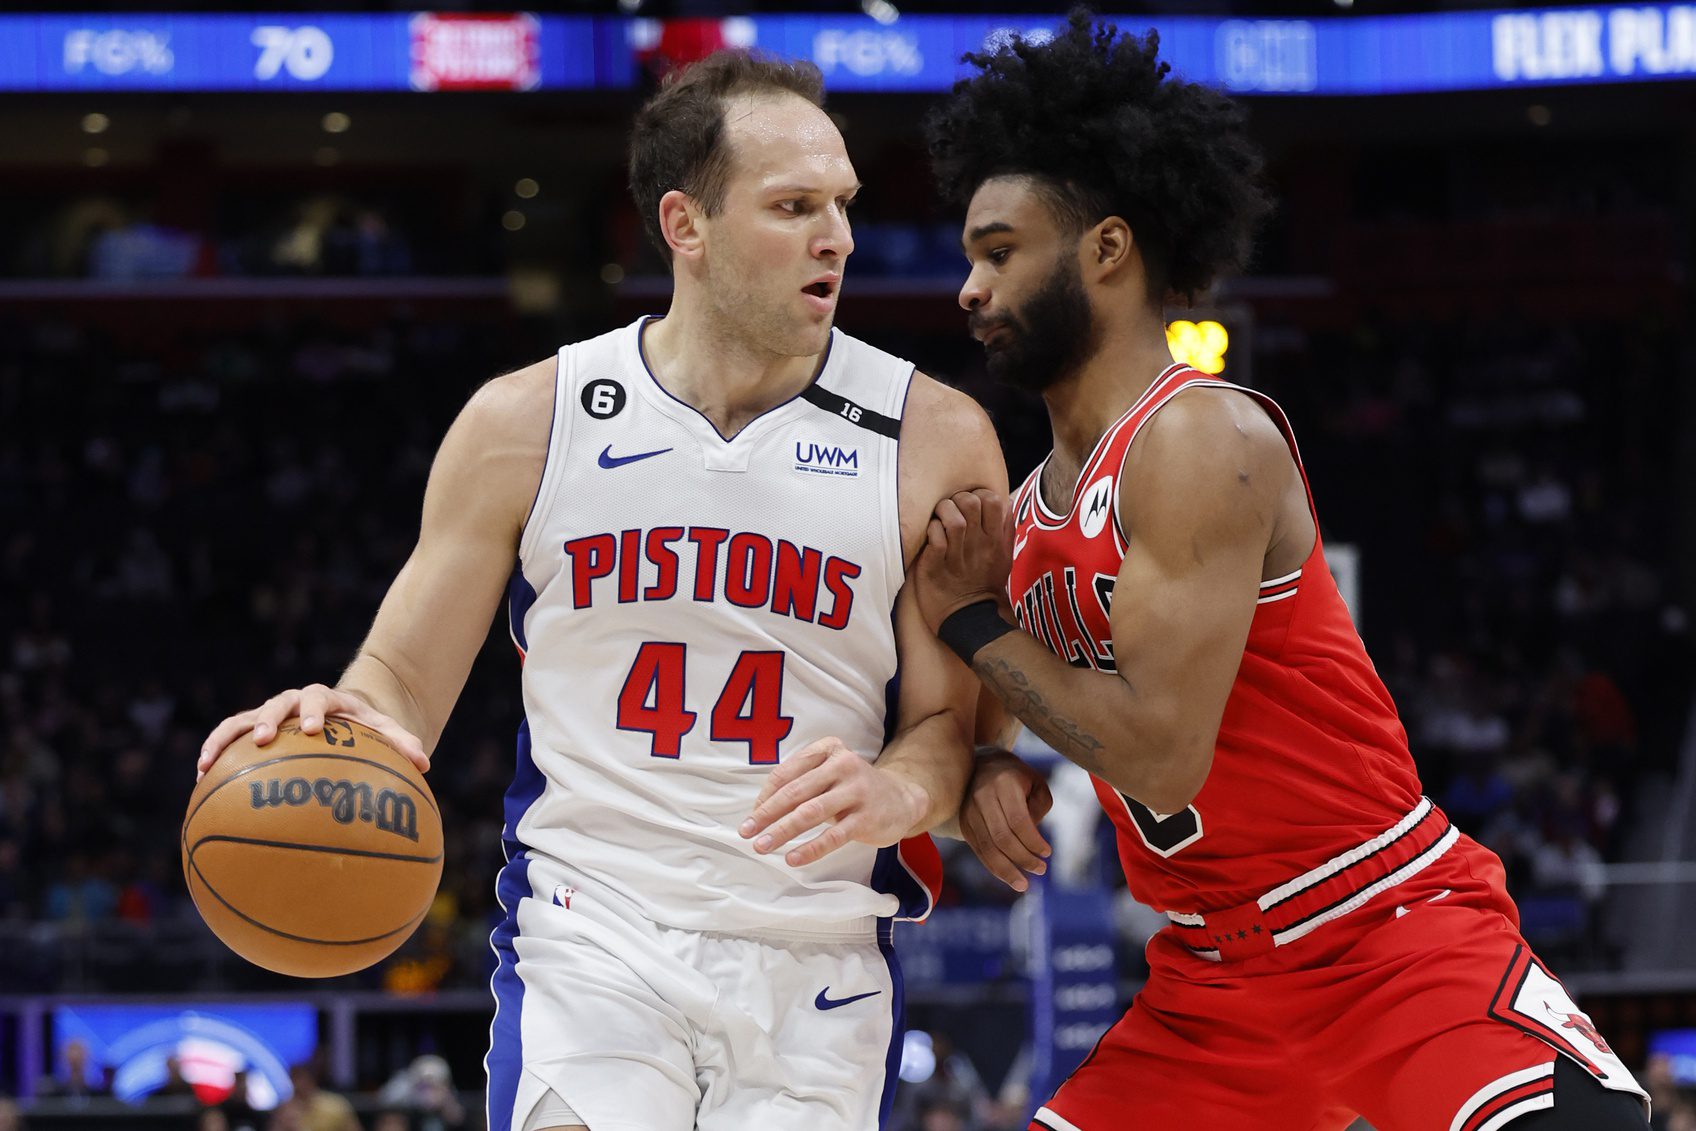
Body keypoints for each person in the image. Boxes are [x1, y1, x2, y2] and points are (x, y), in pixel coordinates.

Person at [198, 48, 1001, 1131]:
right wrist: (331, 717)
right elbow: (397, 685)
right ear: (685, 226)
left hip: (817, 953)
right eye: (793, 205)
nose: (838, 238)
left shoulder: (935, 437)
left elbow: (955, 729)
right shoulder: (525, 422)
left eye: (842, 205)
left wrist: (901, 793)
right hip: (594, 935)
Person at [914, 12, 1650, 1131]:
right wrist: (981, 781)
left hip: (1381, 932)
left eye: (999, 251)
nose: (968, 288)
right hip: (1211, 981)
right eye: (972, 256)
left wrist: (973, 623)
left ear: (1107, 250)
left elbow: (1157, 757)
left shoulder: (1200, 438)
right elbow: (1008, 726)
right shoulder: (1018, 518)